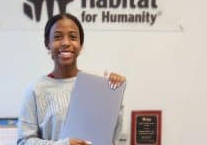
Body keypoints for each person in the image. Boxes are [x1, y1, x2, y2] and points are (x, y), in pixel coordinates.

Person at [17, 13, 126, 145]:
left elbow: (112, 140)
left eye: (73, 37)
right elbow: (23, 141)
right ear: (48, 43)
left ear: (80, 45)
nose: (66, 43)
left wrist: (114, 98)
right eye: (57, 37)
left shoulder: (97, 87)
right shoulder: (34, 90)